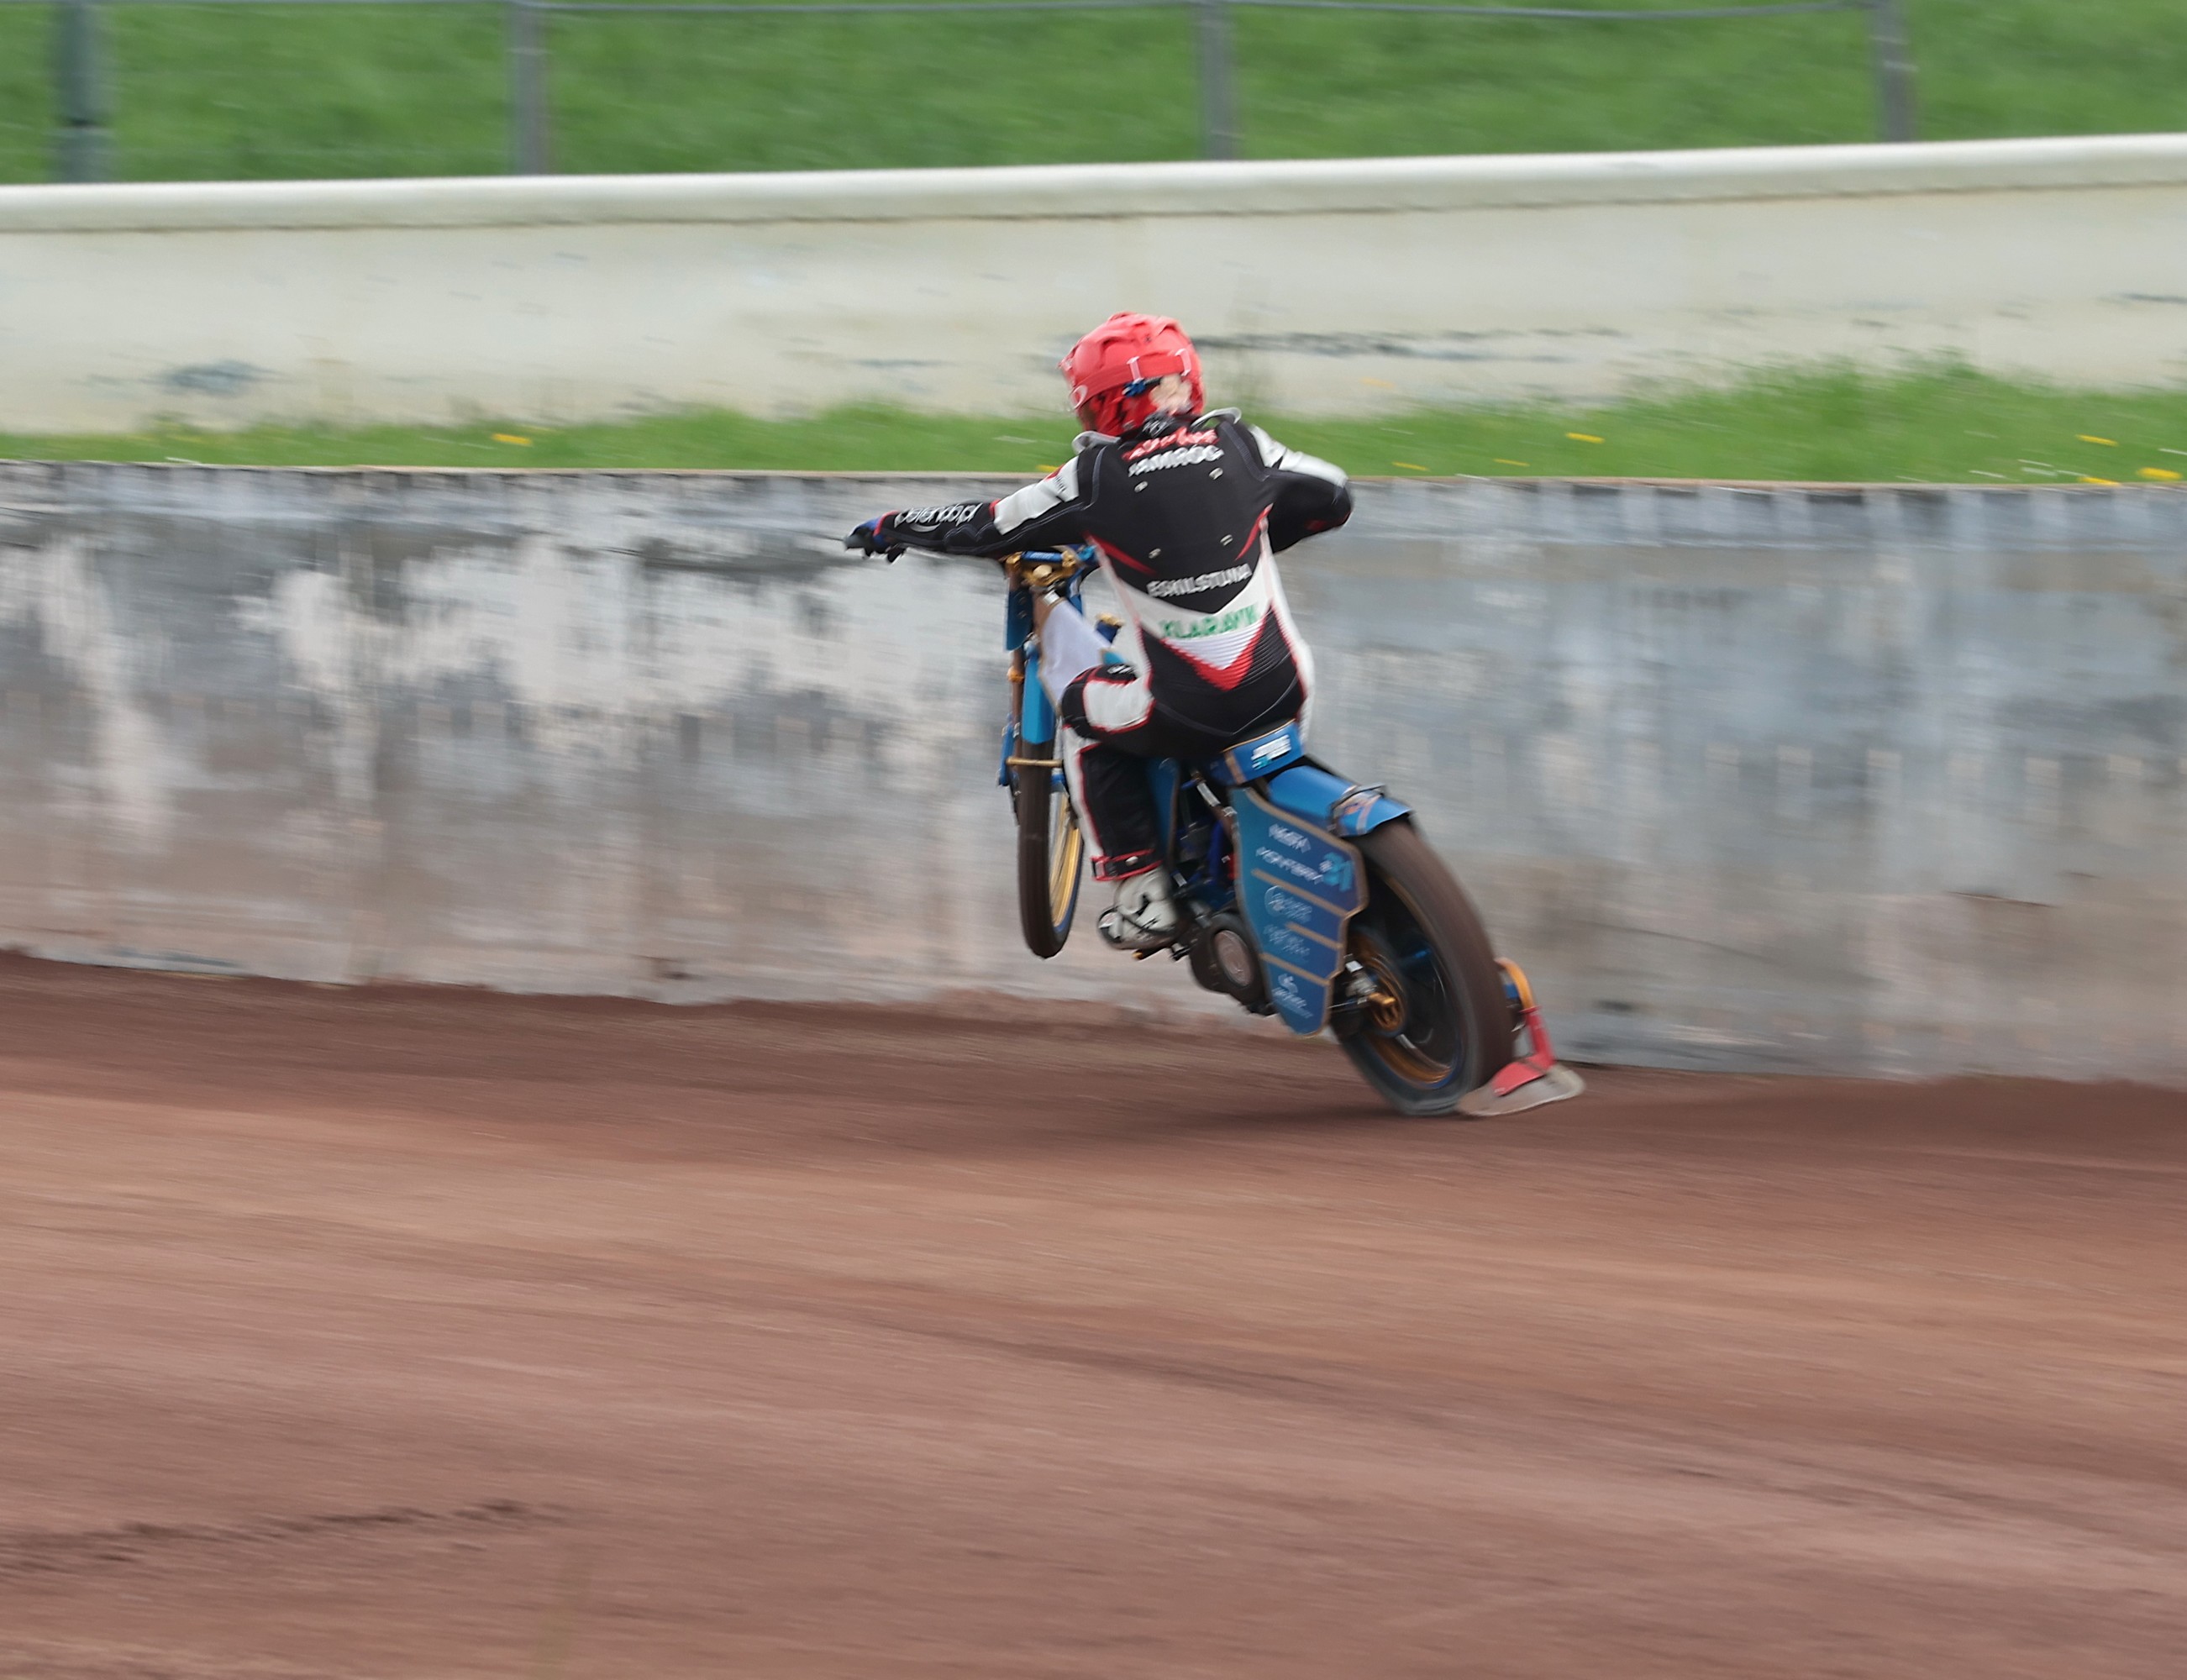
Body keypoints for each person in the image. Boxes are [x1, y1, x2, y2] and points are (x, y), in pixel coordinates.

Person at [846, 312, 1352, 951]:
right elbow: (1334, 497)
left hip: (1186, 709)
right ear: (1189, 383)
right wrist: (1250, 538)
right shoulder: (1242, 443)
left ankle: (1144, 895)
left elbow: (986, 526)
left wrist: (892, 525)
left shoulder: (1094, 477)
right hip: (1288, 688)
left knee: (1082, 711)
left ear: (1103, 405)